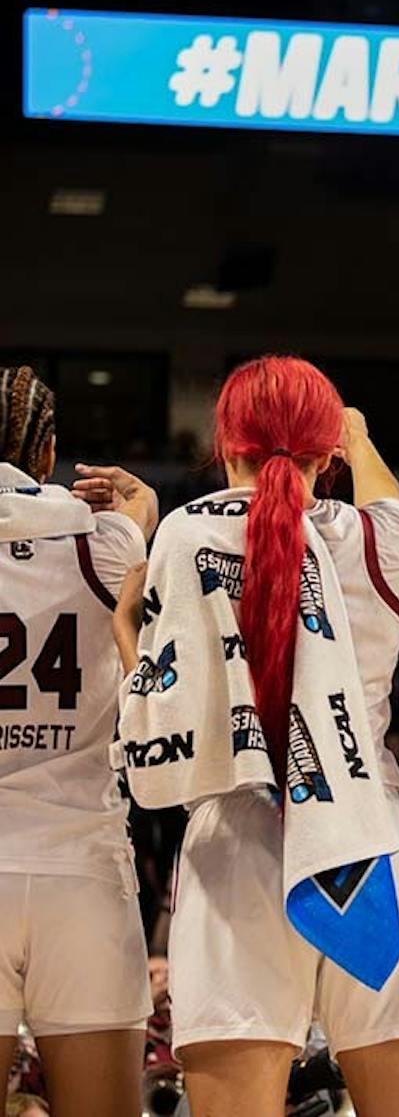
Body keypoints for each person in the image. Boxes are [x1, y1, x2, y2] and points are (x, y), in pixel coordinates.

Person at [113, 356, 399, 1117]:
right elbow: (389, 500)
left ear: (225, 443)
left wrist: (124, 633)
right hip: (366, 836)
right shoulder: (383, 538)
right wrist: (357, 436)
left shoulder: (181, 533)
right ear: (328, 451)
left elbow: (160, 738)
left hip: (236, 849)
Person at [0, 365, 159, 1117]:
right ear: (50, 450)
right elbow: (139, 516)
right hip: (84, 872)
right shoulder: (104, 541)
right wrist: (141, 508)